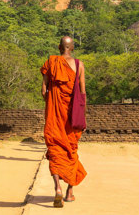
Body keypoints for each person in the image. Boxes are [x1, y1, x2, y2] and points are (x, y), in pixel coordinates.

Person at [40, 36, 87, 208]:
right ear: (72, 48)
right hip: (72, 117)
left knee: (55, 150)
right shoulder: (79, 64)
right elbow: (82, 93)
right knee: (71, 151)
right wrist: (82, 115)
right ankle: (69, 192)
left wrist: (54, 98)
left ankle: (57, 188)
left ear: (59, 47)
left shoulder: (51, 62)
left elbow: (44, 91)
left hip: (55, 117)